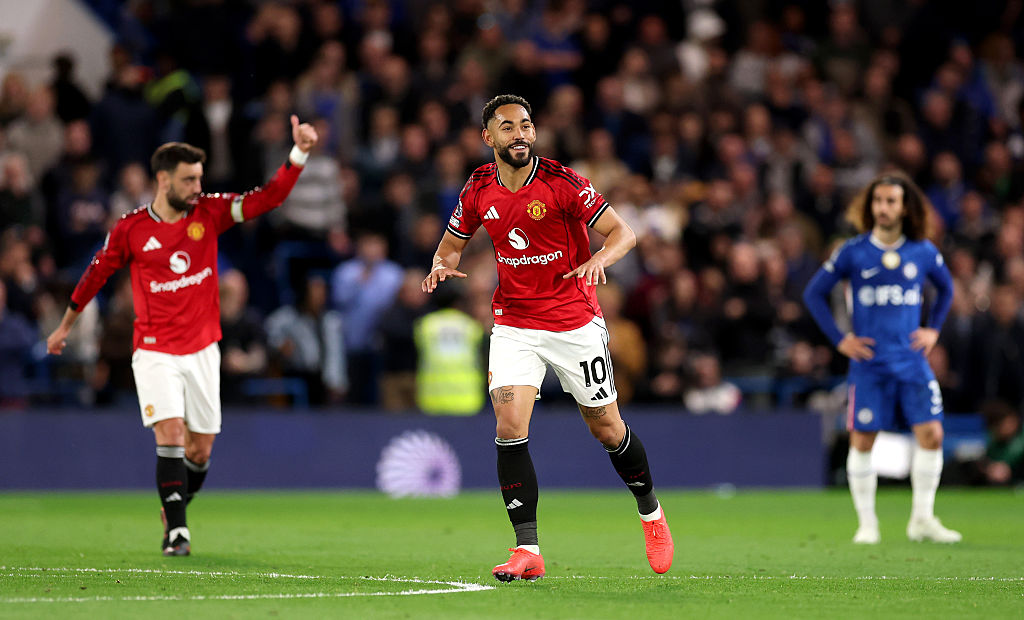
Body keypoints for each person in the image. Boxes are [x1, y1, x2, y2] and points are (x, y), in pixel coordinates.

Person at [421, 94, 673, 581]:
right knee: (508, 425)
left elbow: (623, 234)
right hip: (514, 324)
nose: (519, 134)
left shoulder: (563, 183)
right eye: (508, 127)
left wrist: (600, 258)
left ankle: (651, 514)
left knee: (606, 428)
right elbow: (450, 246)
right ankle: (528, 550)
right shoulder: (477, 187)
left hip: (573, 322)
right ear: (487, 137)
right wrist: (440, 265)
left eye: (526, 125)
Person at [45, 115, 318, 556]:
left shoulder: (209, 212)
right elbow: (96, 273)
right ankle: (177, 531)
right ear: (163, 179)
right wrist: (65, 326)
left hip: (203, 349)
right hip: (153, 350)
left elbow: (269, 199)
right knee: (170, 431)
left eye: (200, 179)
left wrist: (299, 153)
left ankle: (173, 507)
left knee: (201, 448)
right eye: (189, 180)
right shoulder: (131, 228)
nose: (197, 188)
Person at [803, 171, 960, 544]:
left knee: (932, 434)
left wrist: (933, 329)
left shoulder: (922, 251)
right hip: (869, 364)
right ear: (869, 206)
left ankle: (922, 519)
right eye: (878, 201)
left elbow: (947, 289)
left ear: (905, 208)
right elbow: (814, 294)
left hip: (911, 361)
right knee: (862, 441)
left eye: (891, 201)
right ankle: (868, 525)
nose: (883, 208)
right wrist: (841, 341)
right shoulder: (854, 251)